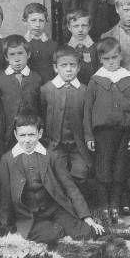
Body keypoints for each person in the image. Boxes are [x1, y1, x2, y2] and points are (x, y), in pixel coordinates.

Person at [0, 113, 105, 244]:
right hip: (29, 216)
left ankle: (122, 232)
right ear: (15, 135)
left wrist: (86, 217)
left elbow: (70, 187)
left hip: (54, 209)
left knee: (85, 232)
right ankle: (55, 229)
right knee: (53, 233)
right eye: (22, 135)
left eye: (31, 135)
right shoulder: (7, 160)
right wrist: (6, 226)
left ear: (40, 133)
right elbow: (5, 197)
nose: (27, 140)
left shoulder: (51, 156)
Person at [84, 37, 130, 224]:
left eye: (114, 58)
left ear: (120, 57)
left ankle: (115, 205)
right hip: (103, 134)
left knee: (120, 170)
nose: (111, 62)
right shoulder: (96, 81)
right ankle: (104, 206)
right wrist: (88, 135)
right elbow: (87, 110)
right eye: (107, 59)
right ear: (101, 60)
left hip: (125, 132)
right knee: (103, 170)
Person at [40, 46, 91, 195]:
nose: (68, 69)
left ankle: (78, 204)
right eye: (64, 65)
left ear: (79, 67)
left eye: (72, 65)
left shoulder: (84, 90)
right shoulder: (46, 90)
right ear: (56, 68)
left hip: (77, 145)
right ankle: (62, 206)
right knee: (56, 172)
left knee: (80, 172)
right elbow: (42, 114)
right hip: (55, 144)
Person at [0, 35, 42, 151]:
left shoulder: (36, 78)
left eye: (20, 53)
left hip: (30, 133)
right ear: (6, 57)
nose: (17, 58)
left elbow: (41, 107)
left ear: (28, 54)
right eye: (12, 54)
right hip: (8, 133)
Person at [23, 2, 58, 84]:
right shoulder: (21, 43)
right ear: (25, 21)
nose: (37, 25)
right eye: (33, 20)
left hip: (48, 86)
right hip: (28, 86)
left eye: (41, 21)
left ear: (46, 21)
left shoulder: (53, 45)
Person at [65, 9, 97, 85]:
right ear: (69, 27)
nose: (80, 30)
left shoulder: (96, 48)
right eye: (76, 26)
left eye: (84, 25)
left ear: (89, 27)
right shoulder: (65, 49)